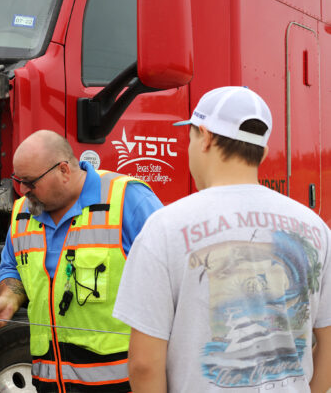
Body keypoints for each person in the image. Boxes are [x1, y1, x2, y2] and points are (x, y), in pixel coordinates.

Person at [113, 86, 331, 393]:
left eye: (189, 138)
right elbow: (328, 344)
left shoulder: (164, 226)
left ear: (206, 137)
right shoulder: (314, 228)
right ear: (263, 153)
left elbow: (144, 364)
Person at [0, 129, 162, 393]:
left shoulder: (127, 200)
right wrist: (9, 298)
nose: (22, 191)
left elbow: (173, 277)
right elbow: (13, 268)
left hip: (121, 383)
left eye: (30, 182)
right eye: (18, 181)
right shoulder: (22, 214)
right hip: (48, 383)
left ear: (64, 170)